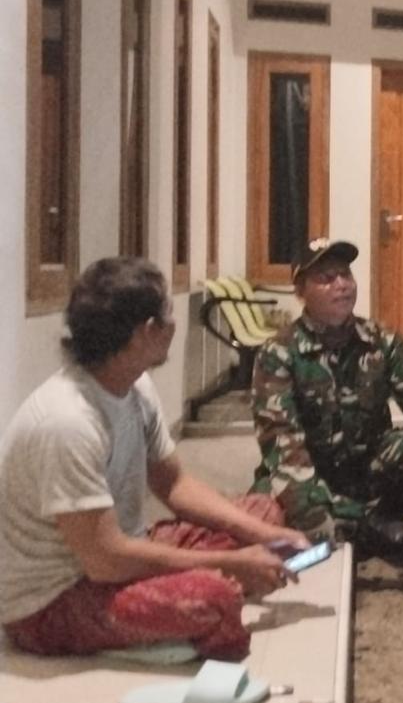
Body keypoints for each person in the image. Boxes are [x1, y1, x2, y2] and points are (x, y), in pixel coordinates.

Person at [0, 258, 308, 661]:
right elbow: (104, 560)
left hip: (125, 550)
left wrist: (261, 535)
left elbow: (174, 485)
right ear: (148, 330)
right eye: (168, 314)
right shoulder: (67, 421)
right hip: (55, 599)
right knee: (214, 598)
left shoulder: (135, 386)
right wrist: (230, 563)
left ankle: (172, 617)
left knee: (262, 512)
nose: (174, 324)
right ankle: (171, 628)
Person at [251, 238, 403, 608]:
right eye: (326, 278)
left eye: (345, 275)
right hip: (307, 479)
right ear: (301, 292)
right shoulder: (278, 353)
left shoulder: (383, 341)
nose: (341, 285)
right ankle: (381, 535)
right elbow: (285, 452)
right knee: (280, 529)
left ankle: (370, 527)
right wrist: (322, 507)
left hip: (367, 471)